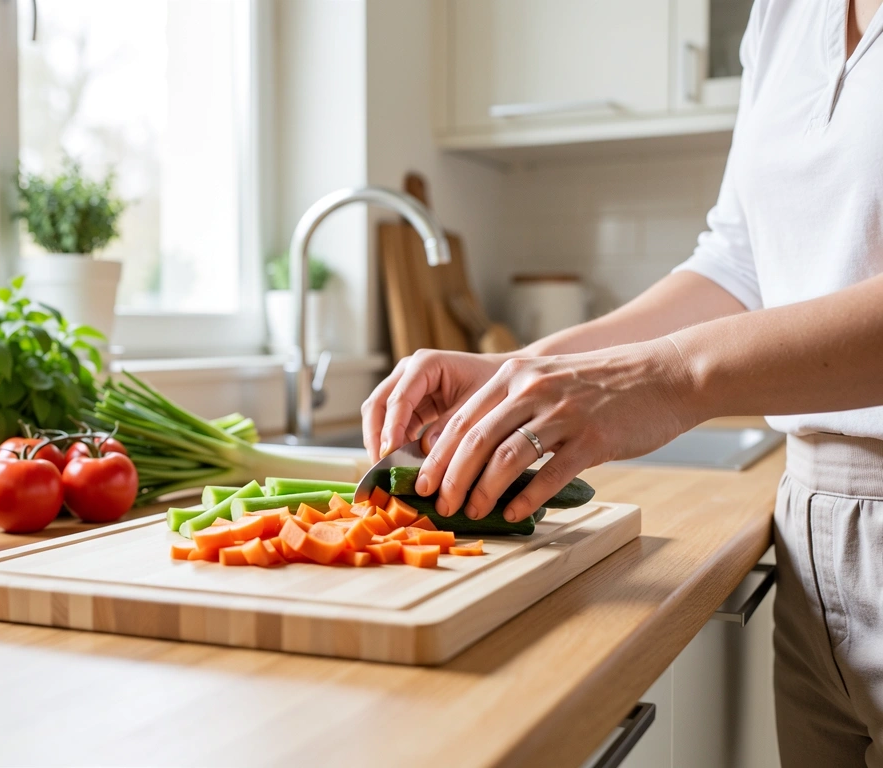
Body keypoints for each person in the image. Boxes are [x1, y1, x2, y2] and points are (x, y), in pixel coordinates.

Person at [362, 0, 882, 764]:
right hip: (810, 528)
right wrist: (521, 375)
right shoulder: (784, 11)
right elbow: (739, 266)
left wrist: (672, 377)